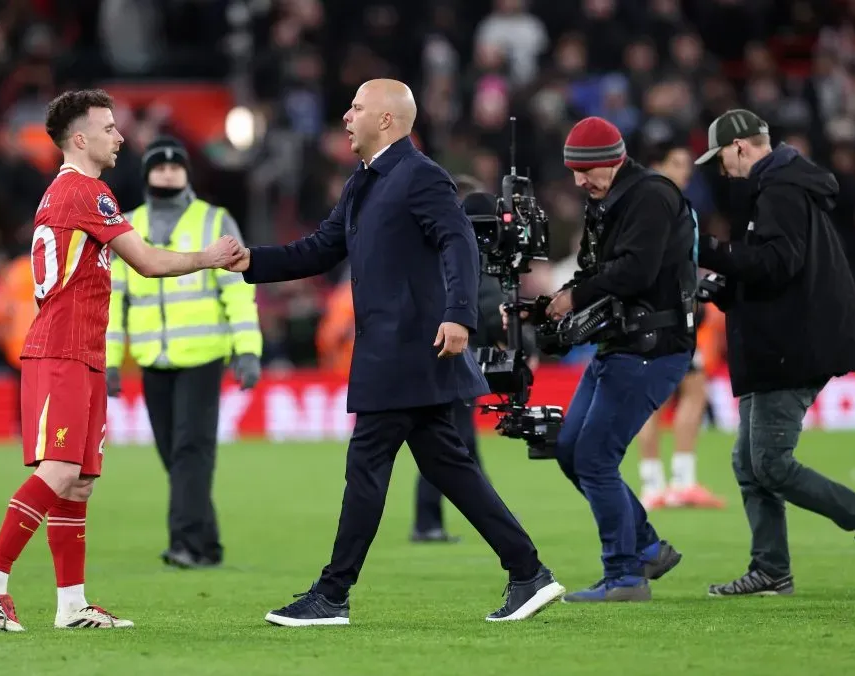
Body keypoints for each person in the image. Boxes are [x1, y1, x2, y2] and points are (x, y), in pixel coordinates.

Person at [226, 78, 565, 626]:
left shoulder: (420, 175)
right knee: (450, 468)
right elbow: (322, 248)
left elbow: (458, 241)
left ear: (386, 119)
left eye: (356, 107)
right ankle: (529, 572)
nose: (346, 116)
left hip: (407, 349)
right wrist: (253, 262)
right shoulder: (363, 182)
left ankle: (332, 594)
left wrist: (459, 314)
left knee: (367, 467)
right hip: (398, 351)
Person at [0, 89, 242, 632]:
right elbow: (147, 261)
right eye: (109, 128)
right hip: (62, 350)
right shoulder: (86, 191)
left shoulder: (66, 193)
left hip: (84, 351)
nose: (119, 136)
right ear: (80, 138)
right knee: (61, 469)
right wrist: (208, 257)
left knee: (80, 481)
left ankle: (72, 605)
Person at [694, 109, 855, 595]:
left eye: (722, 158)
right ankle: (771, 568)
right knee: (749, 462)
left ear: (740, 147)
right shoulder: (783, 186)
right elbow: (777, 267)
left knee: (769, 462)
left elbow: (776, 263)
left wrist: (708, 250)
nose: (722, 169)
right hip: (779, 342)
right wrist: (725, 286)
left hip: (791, 346)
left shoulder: (780, 190)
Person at [536, 116, 698, 603]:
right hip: (621, 344)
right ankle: (645, 547)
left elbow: (636, 271)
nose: (579, 182)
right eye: (574, 172)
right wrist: (556, 300)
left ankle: (624, 576)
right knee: (571, 450)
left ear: (613, 161)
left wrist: (576, 295)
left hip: (653, 347)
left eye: (586, 171)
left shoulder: (651, 195)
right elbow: (595, 268)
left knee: (594, 457)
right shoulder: (606, 200)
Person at [105, 135, 263, 570]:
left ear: (188, 174)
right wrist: (111, 360)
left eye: (176, 167)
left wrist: (247, 350)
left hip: (203, 355)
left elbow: (237, 290)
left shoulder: (215, 220)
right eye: (160, 167)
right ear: (147, 174)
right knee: (173, 455)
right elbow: (113, 298)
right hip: (151, 358)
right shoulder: (126, 225)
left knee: (191, 451)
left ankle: (186, 544)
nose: (168, 173)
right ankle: (206, 544)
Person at [410, 175, 540, 543]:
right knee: (451, 444)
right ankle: (438, 521)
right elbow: (490, 306)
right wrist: (523, 346)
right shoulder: (470, 250)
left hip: (441, 357)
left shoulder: (436, 245)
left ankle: (478, 516)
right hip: (452, 360)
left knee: (456, 444)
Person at [634, 142, 725, 511]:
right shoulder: (661, 205)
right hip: (664, 312)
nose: (685, 171)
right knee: (676, 391)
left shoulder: (665, 203)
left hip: (664, 311)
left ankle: (659, 484)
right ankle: (670, 483)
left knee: (680, 389)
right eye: (677, 163)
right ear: (656, 165)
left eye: (687, 164)